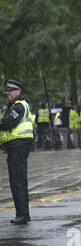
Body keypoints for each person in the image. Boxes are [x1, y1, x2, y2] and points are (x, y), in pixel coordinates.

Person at [0, 80, 34, 225]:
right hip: (17, 146)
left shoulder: (19, 106)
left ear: (17, 91)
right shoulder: (16, 105)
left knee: (18, 181)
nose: (8, 94)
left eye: (10, 91)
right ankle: (23, 213)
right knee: (18, 180)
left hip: (18, 146)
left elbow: (8, 124)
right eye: (7, 91)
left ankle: (23, 215)